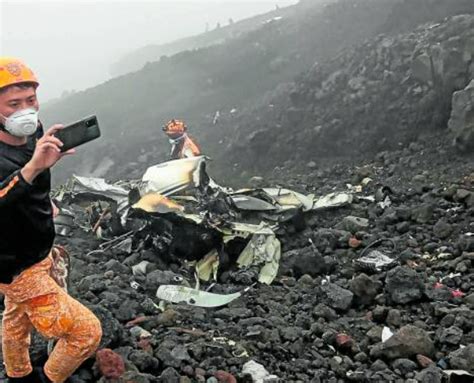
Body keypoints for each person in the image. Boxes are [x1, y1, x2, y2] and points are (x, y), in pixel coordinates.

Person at [0, 57, 102, 383]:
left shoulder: (35, 134)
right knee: (87, 332)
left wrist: (45, 171)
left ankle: (18, 375)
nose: (25, 111)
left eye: (30, 101)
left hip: (37, 247)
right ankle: (49, 379)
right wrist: (32, 168)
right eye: (13, 104)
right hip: (15, 265)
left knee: (16, 318)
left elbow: (29, 184)